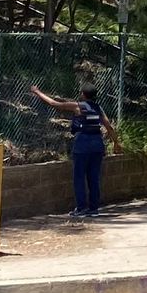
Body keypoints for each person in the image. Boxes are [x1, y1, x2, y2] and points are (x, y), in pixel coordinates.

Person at [32, 84, 121, 218]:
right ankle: (93, 209)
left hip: (83, 144)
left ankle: (81, 208)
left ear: (83, 94)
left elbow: (54, 104)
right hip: (97, 144)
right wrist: (116, 143)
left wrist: (37, 92)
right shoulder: (98, 108)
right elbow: (108, 126)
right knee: (94, 177)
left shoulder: (78, 106)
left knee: (79, 177)